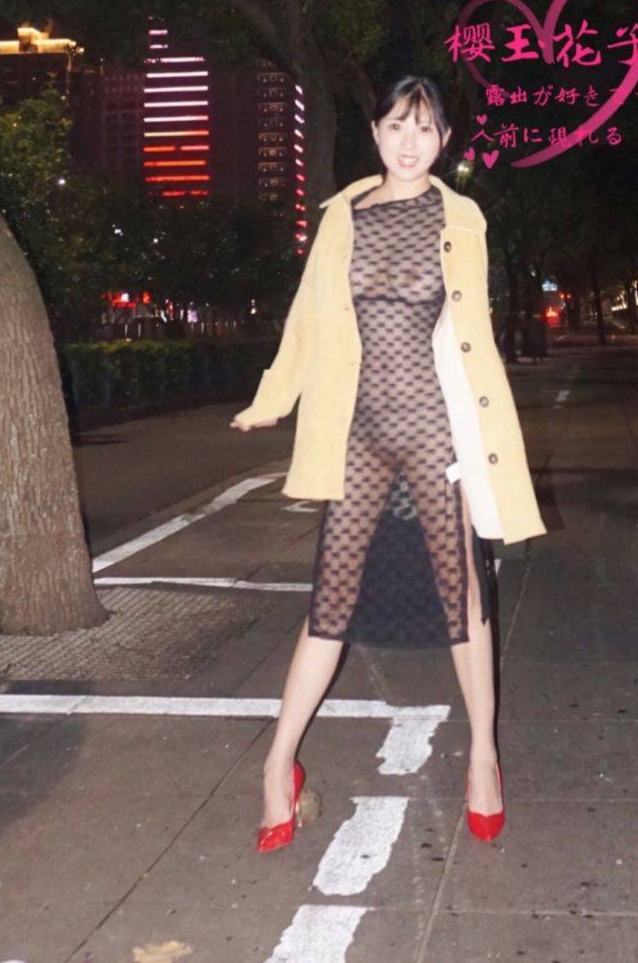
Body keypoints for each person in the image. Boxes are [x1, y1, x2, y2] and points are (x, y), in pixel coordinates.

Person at [230, 75, 546, 852]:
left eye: (425, 128)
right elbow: (307, 317)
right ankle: (277, 765)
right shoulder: (341, 215)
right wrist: (273, 396)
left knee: (461, 591)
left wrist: (485, 440)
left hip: (436, 428)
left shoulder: (460, 217)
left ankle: (483, 757)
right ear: (374, 134)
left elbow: (471, 332)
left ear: (444, 140)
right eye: (398, 126)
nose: (410, 141)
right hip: (358, 431)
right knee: (329, 597)